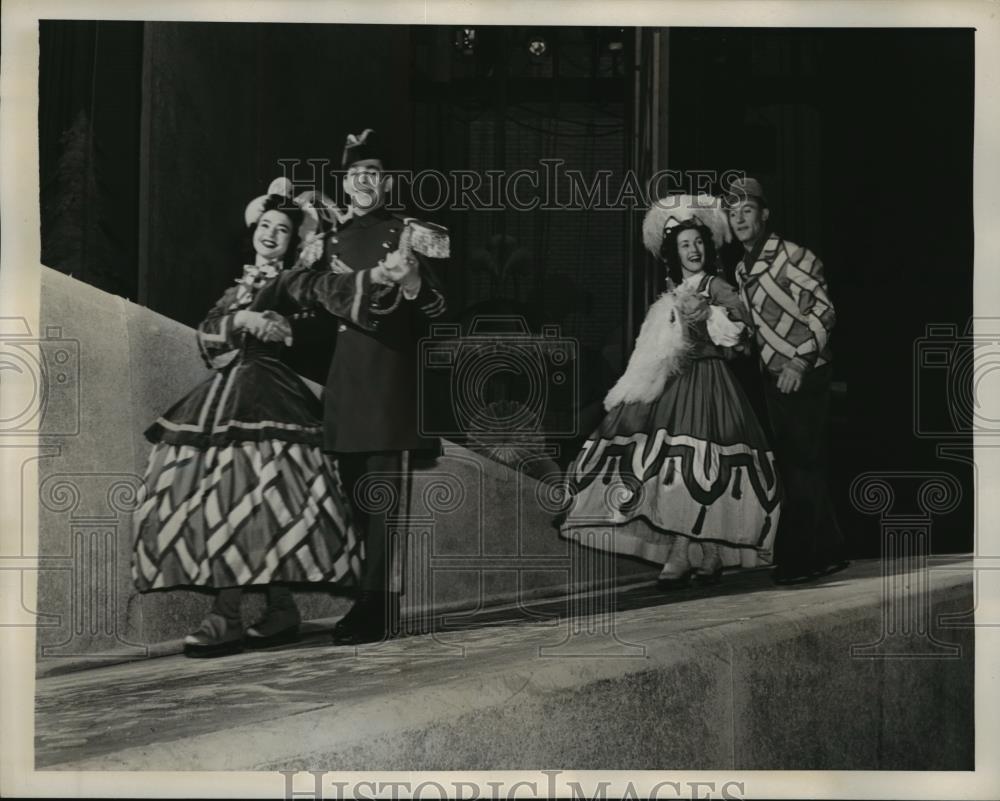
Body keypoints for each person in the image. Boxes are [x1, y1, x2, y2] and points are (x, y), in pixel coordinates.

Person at [131, 177, 387, 657]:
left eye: (282, 230)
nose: (271, 233)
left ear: (293, 243)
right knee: (237, 499)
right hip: (227, 397)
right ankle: (276, 608)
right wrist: (241, 320)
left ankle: (230, 616)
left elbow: (322, 307)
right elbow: (208, 337)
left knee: (261, 499)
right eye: (265, 225)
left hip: (271, 397)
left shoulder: (290, 281)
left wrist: (368, 285)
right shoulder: (239, 286)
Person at [272, 129, 449, 645]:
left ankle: (377, 605)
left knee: (381, 503)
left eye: (374, 172)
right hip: (345, 381)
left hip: (391, 380)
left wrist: (413, 283)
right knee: (351, 498)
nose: (365, 181)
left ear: (387, 181)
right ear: (345, 182)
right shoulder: (324, 242)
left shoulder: (407, 233)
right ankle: (370, 597)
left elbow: (440, 311)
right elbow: (303, 300)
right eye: (356, 173)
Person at [558, 195, 780, 587]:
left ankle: (683, 552)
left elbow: (745, 328)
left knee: (696, 470)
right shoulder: (671, 291)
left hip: (709, 384)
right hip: (673, 383)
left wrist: (713, 316)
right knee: (668, 469)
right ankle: (707, 553)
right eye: (684, 245)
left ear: (706, 247)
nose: (693, 250)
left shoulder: (717, 285)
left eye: (697, 243)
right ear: (673, 253)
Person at [725, 176, 849, 584]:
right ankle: (829, 551)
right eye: (733, 212)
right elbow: (758, 327)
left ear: (764, 215)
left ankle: (800, 559)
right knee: (800, 462)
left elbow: (825, 312)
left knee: (799, 464)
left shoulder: (793, 255)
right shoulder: (742, 267)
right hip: (774, 378)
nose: (740, 218)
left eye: (747, 211)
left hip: (805, 372)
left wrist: (798, 362)